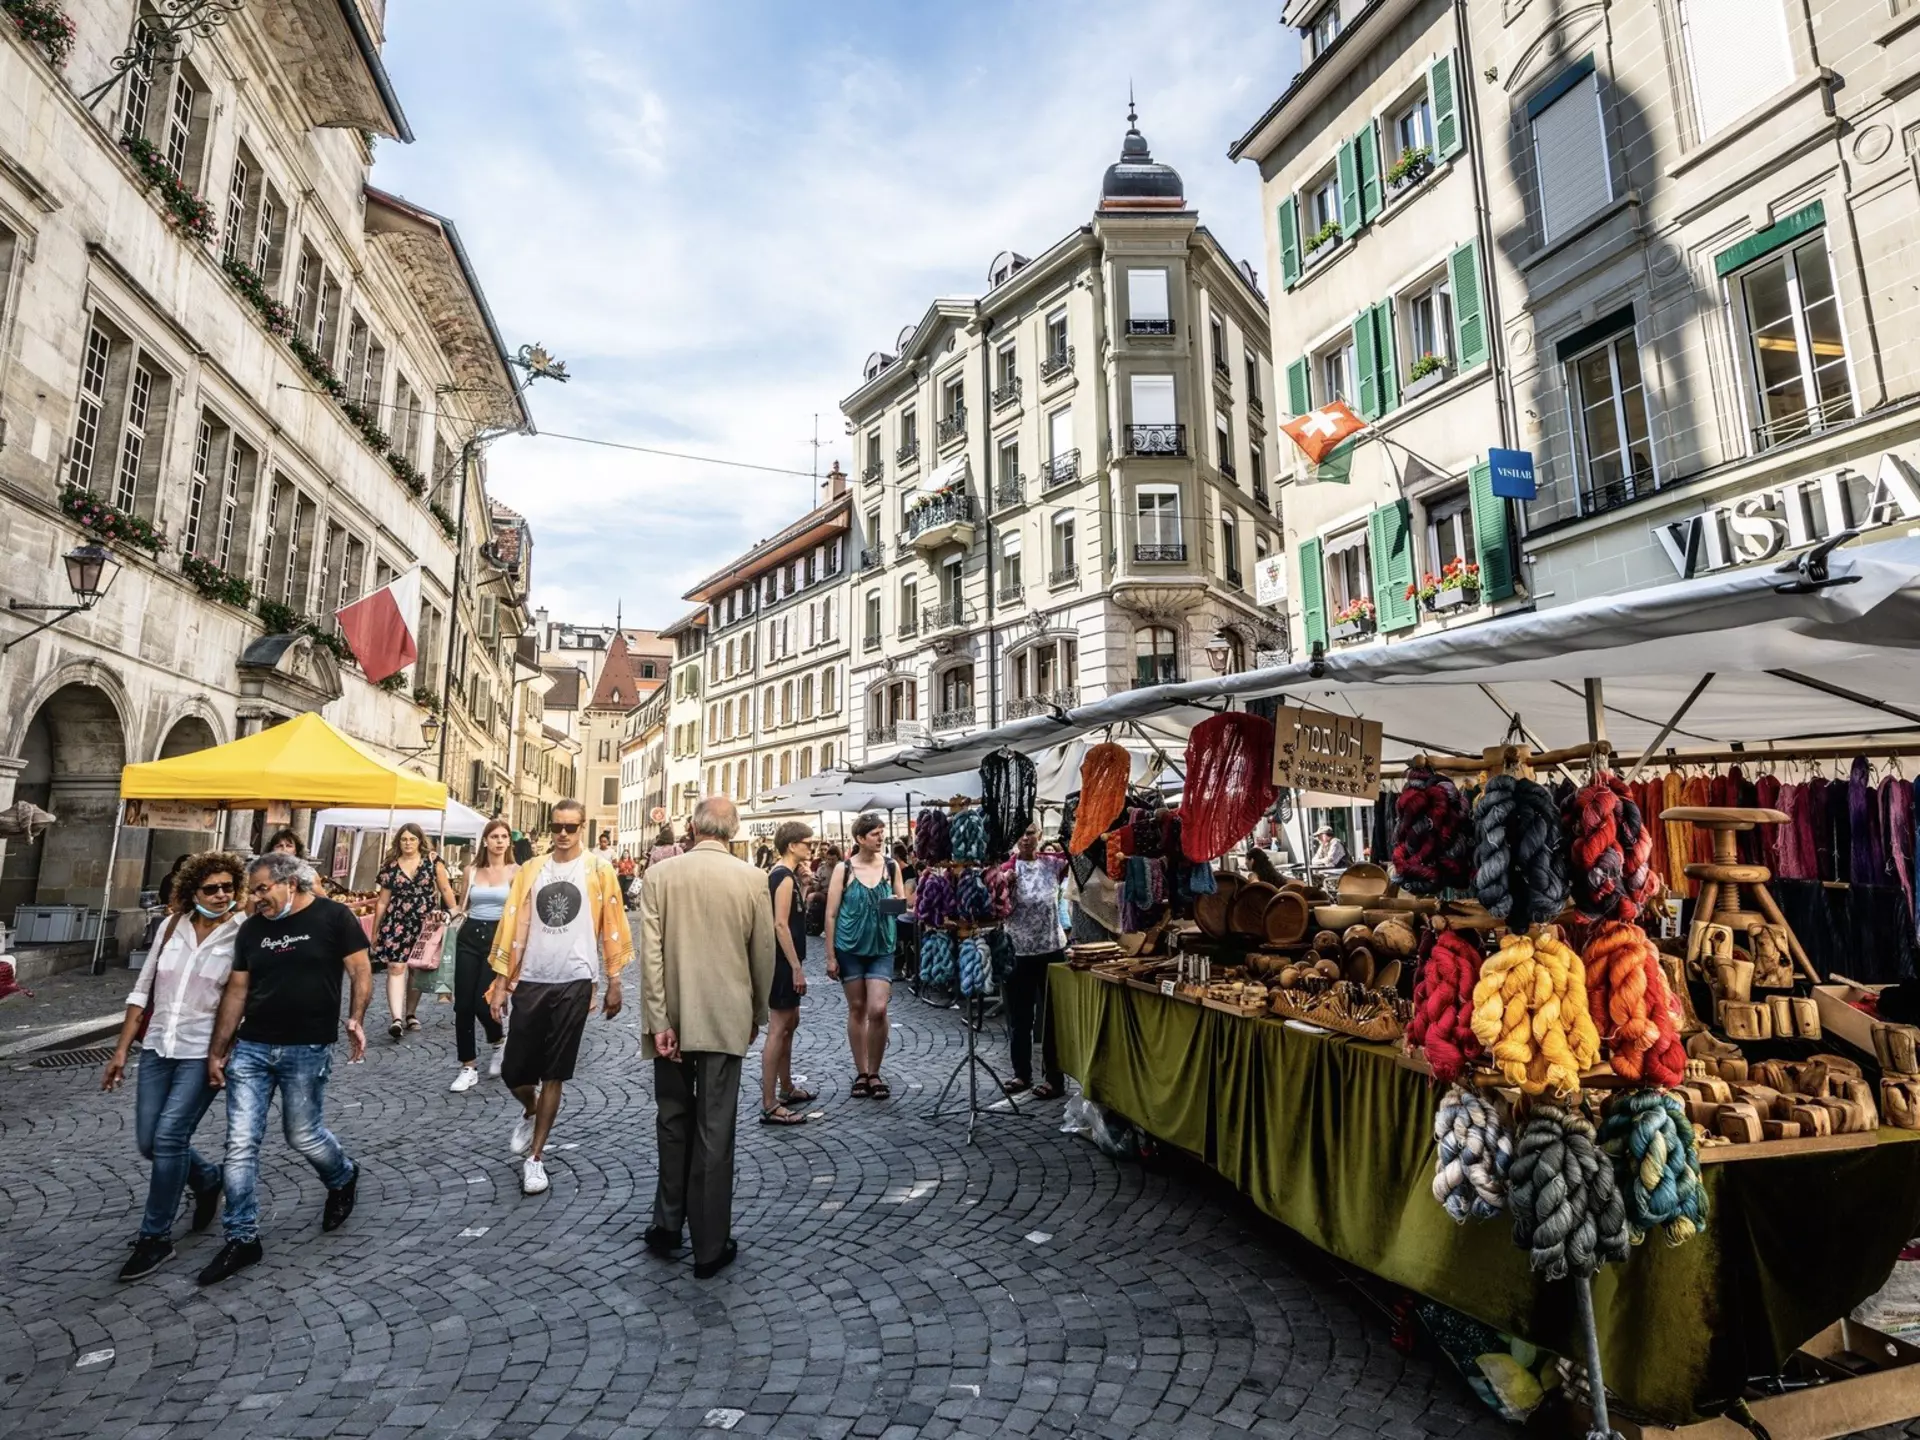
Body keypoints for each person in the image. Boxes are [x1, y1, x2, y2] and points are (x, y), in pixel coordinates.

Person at [198, 851, 369, 1286]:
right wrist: (219, 1050)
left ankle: (343, 1176)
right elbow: (237, 991)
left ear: (289, 884)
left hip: (307, 1047)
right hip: (253, 1049)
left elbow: (360, 970)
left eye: (261, 890)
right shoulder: (253, 930)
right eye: (251, 892)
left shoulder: (334, 918)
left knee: (303, 1134)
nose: (255, 900)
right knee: (239, 1144)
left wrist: (356, 1018)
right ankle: (242, 1237)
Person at [636, 796, 774, 1278]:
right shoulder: (753, 880)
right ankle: (709, 1245)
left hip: (671, 1018)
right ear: (732, 831)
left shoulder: (660, 876)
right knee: (716, 1131)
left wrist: (659, 1020)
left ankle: (667, 1224)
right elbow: (763, 956)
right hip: (725, 1017)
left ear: (693, 828)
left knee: (672, 1121)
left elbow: (649, 956)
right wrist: (757, 1011)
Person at [101, 850, 246, 1281]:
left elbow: (242, 1002)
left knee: (169, 1137)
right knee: (149, 1141)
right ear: (191, 891)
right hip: (158, 1048)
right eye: (211, 888)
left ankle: (155, 1237)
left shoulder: (243, 934)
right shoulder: (170, 928)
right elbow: (141, 992)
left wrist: (222, 1052)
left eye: (227, 888)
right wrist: (122, 1050)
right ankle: (206, 1180)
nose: (221, 895)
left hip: (202, 1052)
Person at [484, 798, 631, 1196]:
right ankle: (530, 1109)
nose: (563, 834)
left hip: (576, 980)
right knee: (513, 1070)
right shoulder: (532, 870)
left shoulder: (600, 870)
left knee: (555, 1071)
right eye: (557, 827)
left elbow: (612, 926)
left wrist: (614, 979)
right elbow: (510, 924)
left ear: (582, 828)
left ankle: (535, 1158)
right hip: (531, 978)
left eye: (571, 827)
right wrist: (500, 984)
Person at [824, 813, 906, 1100]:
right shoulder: (843, 869)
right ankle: (862, 1072)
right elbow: (831, 913)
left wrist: (897, 904)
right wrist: (830, 956)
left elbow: (901, 905)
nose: (881, 838)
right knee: (857, 1007)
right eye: (875, 834)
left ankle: (875, 1071)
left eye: (882, 833)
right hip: (850, 947)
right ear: (860, 838)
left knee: (878, 1008)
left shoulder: (891, 866)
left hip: (882, 945)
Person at [370, 823, 456, 1041]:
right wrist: (375, 930)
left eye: (412, 839)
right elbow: (382, 901)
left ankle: (410, 1013)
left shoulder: (432, 862)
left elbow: (445, 888)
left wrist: (454, 911)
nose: (408, 843)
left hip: (425, 922)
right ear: (398, 842)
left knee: (417, 968)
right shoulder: (390, 866)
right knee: (396, 967)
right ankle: (396, 1019)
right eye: (404, 839)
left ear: (420, 841)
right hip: (396, 921)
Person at [1002, 824, 1069, 1099]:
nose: (1026, 838)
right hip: (1017, 951)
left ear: (1040, 836)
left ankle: (1054, 1077)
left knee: (1052, 1018)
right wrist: (1004, 886)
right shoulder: (1007, 869)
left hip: (1051, 949)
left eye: (1031, 832)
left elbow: (1077, 859)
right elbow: (998, 906)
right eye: (1022, 832)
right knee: (1020, 1018)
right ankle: (1022, 1073)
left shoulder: (1053, 864)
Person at [449, 819, 515, 1092]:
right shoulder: (471, 870)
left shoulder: (516, 871)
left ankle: (498, 1040)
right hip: (470, 935)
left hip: (498, 938)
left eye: (503, 836)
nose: (499, 841)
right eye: (494, 836)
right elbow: (462, 906)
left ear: (509, 842)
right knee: (462, 1004)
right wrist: (446, 914)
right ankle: (468, 1066)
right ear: (485, 841)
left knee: (482, 1002)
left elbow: (519, 912)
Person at [760, 821, 815, 1126]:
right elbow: (780, 924)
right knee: (779, 1028)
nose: (812, 848)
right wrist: (796, 967)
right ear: (792, 845)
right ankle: (770, 1103)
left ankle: (786, 1087)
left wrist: (804, 886)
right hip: (782, 963)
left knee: (789, 1023)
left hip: (784, 961)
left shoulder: (787, 877)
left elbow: (792, 917)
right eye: (808, 843)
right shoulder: (781, 877)